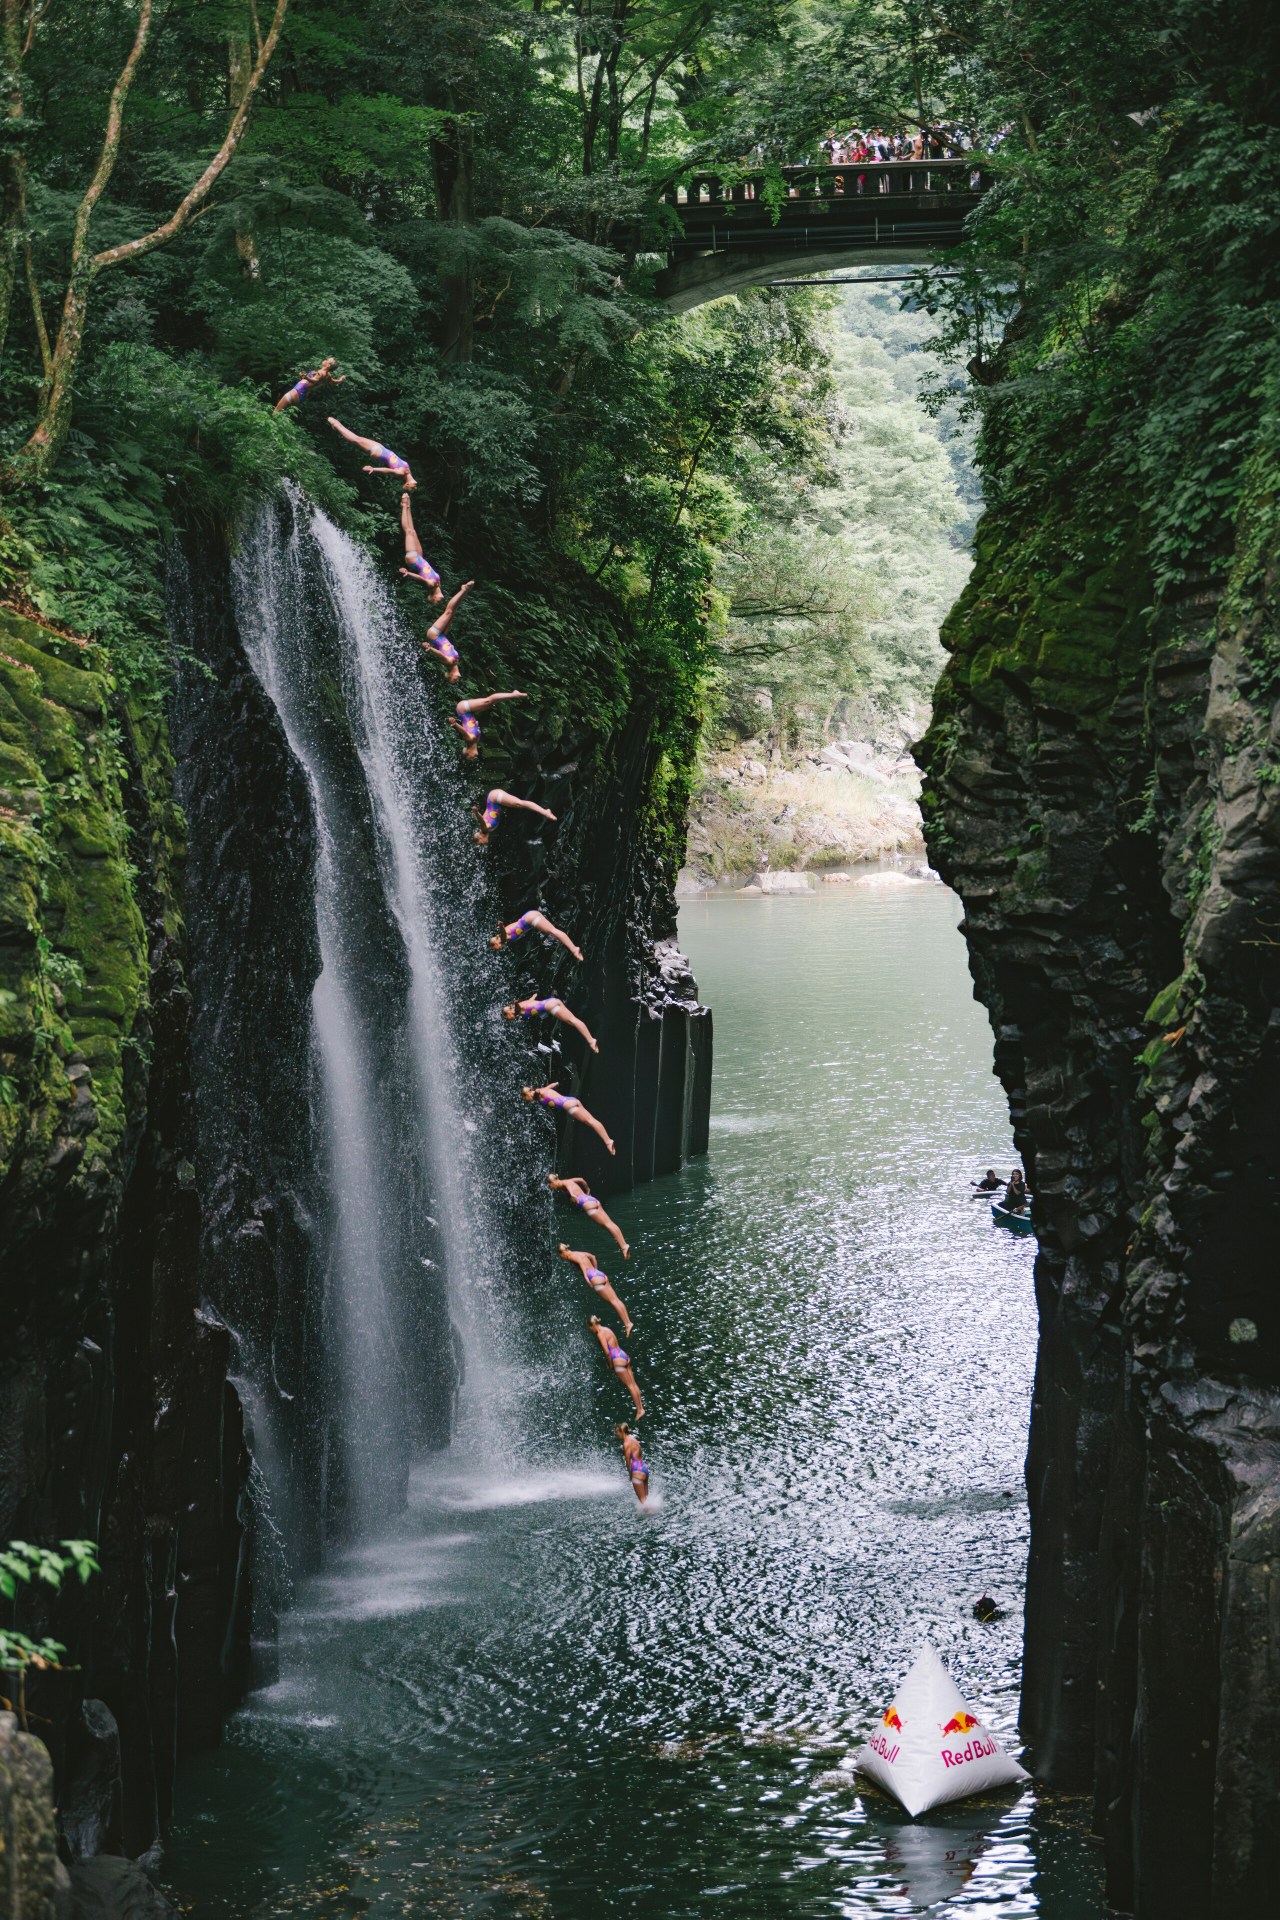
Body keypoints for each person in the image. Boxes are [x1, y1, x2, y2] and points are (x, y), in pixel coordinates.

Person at [548, 1174, 629, 1257]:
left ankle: (624, 1246)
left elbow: (568, 1186)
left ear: (553, 1182)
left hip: (587, 1204)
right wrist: (587, 1189)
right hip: (591, 1200)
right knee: (610, 1224)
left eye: (550, 1185)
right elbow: (581, 1179)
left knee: (607, 1225)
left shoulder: (563, 1183)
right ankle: (624, 1245)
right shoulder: (568, 1180)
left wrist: (572, 1195)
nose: (551, 1188)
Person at [523, 1082, 615, 1155]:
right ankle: (607, 1140)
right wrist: (556, 1085)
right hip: (571, 1100)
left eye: (526, 1098)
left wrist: (535, 1092)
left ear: (528, 1093)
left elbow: (538, 1092)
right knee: (591, 1121)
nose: (528, 1100)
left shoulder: (538, 1093)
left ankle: (608, 1142)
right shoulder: (544, 1089)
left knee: (591, 1122)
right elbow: (554, 1084)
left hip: (568, 1106)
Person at [328, 416, 416, 490]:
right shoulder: (407, 471)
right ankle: (336, 425)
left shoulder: (401, 473)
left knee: (356, 439)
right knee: (357, 439)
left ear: (407, 484)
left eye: (412, 487)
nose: (415, 485)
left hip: (380, 452)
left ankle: (336, 424)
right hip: (382, 449)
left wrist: (374, 469)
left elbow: (389, 470)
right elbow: (410, 479)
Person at [559, 1244, 631, 1333]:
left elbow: (581, 1263)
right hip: (598, 1273)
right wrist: (595, 1270)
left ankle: (627, 1324)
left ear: (562, 1253)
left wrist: (587, 1278)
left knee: (613, 1302)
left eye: (561, 1256)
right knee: (616, 1300)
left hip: (592, 1276)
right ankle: (628, 1323)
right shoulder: (577, 1252)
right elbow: (593, 1256)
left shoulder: (569, 1256)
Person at [589, 1316, 644, 1420]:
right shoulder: (607, 1329)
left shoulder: (600, 1333)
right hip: (622, 1354)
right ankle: (641, 1407)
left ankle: (640, 1410)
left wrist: (610, 1364)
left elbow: (607, 1352)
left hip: (617, 1359)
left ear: (593, 1325)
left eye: (590, 1328)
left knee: (629, 1386)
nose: (591, 1331)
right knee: (633, 1383)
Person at [503, 995, 598, 1052]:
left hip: (551, 1006)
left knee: (573, 1021)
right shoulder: (521, 1007)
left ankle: (591, 1041)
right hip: (552, 1003)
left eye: (506, 1016)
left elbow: (519, 1007)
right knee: (573, 1021)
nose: (507, 1019)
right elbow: (531, 1001)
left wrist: (516, 1004)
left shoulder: (519, 1008)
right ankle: (590, 1040)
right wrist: (534, 997)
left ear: (511, 1011)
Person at [449, 689, 526, 758]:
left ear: (468, 751)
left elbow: (464, 732)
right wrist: (476, 725)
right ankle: (513, 695)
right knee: (489, 703)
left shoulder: (470, 740)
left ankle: (514, 695)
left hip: (462, 710)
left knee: (488, 701)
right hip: (469, 712)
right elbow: (471, 725)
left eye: (471, 757)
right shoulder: (476, 740)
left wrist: (455, 724)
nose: (475, 757)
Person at [397, 491, 443, 600]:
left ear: (434, 596)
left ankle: (403, 505)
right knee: (413, 532)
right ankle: (408, 507)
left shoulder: (431, 586)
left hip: (413, 560)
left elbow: (420, 579)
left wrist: (408, 574)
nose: (440, 601)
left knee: (408, 532)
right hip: (420, 558)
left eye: (437, 601)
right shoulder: (438, 585)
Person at [422, 580, 471, 680]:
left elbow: (441, 655)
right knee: (453, 611)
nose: (457, 679)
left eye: (453, 680)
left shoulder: (449, 662)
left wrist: (430, 649)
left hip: (434, 635)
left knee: (448, 612)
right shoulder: (455, 661)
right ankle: (465, 591)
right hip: (442, 635)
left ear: (450, 675)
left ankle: (463, 589)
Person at [473, 790, 557, 845]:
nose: (482, 845)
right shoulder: (487, 829)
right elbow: (489, 812)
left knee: (520, 804)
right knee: (519, 804)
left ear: (480, 837)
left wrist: (476, 812)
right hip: (494, 798)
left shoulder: (484, 829)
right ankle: (545, 812)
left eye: (480, 843)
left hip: (494, 798)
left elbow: (481, 821)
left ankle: (545, 812)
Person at [490, 910, 583, 960]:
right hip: (529, 917)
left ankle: (574, 949)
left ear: (496, 943)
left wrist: (501, 926)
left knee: (554, 932)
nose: (498, 950)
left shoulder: (503, 937)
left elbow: (503, 934)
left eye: (495, 948)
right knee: (553, 933)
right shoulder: (506, 936)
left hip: (530, 919)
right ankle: (574, 949)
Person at [274, 357, 344, 412]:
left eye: (327, 360)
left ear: (328, 365)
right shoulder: (328, 375)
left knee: (276, 412)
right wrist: (340, 380)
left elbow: (315, 380)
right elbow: (333, 381)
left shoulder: (321, 373)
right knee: (282, 414)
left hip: (298, 392)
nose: (325, 360)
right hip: (302, 395)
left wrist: (306, 377)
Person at [617, 1423, 650, 1504]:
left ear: (622, 1432)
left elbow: (628, 1461)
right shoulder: (633, 1439)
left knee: (643, 1503)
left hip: (636, 1470)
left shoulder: (626, 1444)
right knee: (646, 1499)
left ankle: (652, 1514)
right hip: (644, 1468)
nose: (616, 1434)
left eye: (617, 1432)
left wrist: (630, 1474)